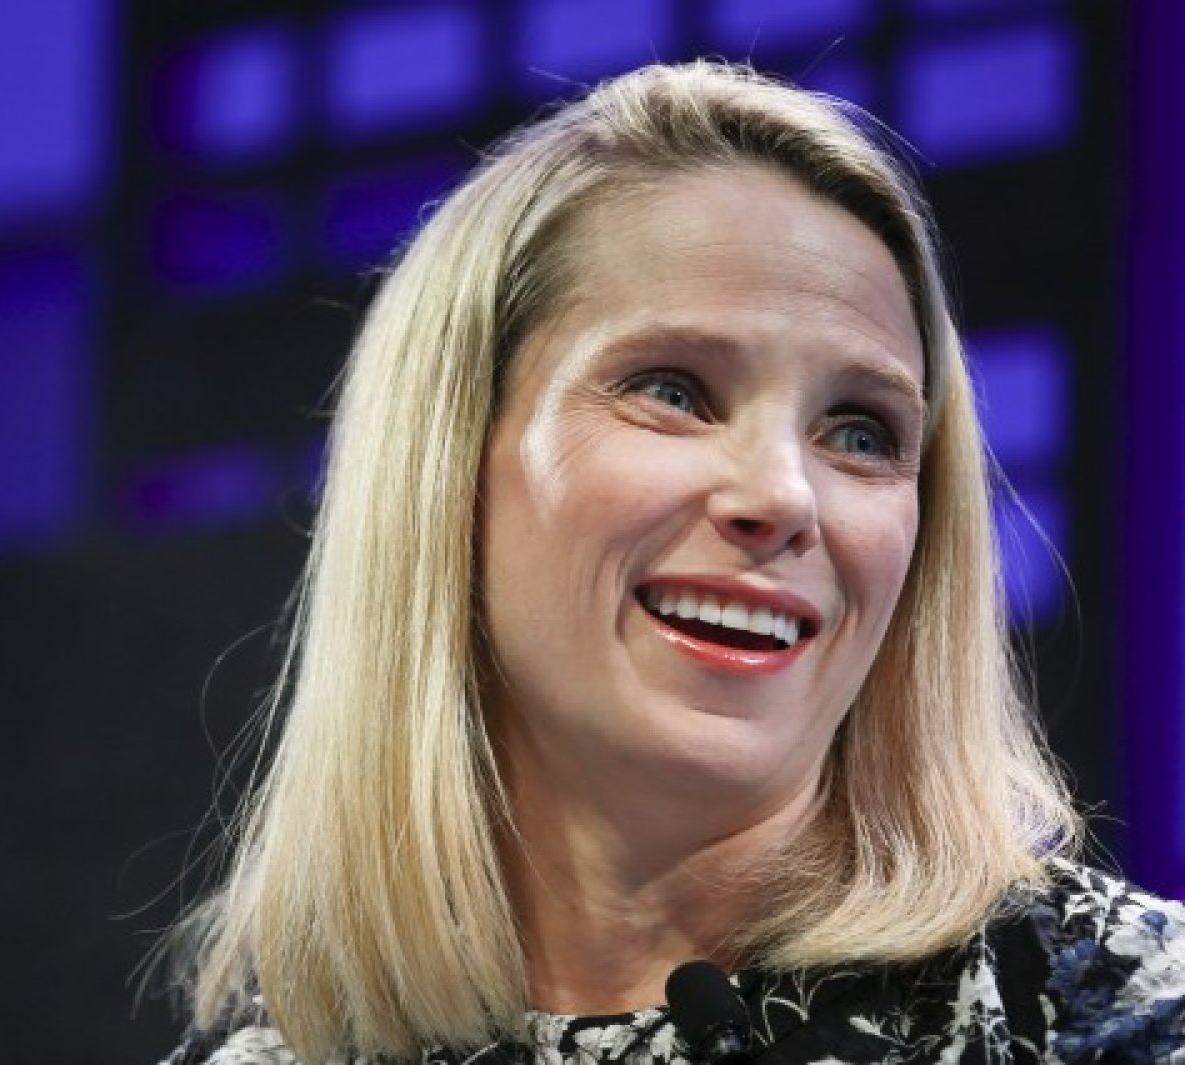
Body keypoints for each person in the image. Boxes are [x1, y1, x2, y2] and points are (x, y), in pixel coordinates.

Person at [159, 60, 1185, 1063]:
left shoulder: (1121, 1015)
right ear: (449, 462)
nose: (782, 496)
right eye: (674, 391)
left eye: (860, 432)